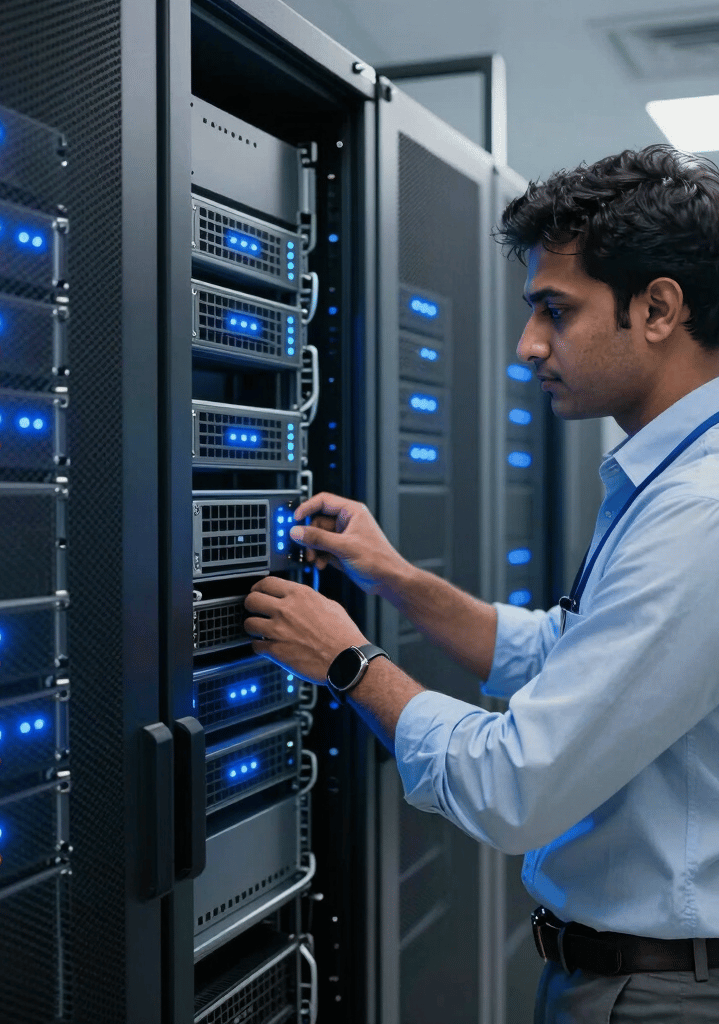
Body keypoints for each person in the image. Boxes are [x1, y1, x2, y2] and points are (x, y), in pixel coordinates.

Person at [243, 144, 719, 1023]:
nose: (526, 345)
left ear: (658, 308)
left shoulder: (700, 512)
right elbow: (563, 653)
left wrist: (348, 663)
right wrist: (394, 579)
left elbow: (516, 789)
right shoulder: (671, 477)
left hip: (662, 992)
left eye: (554, 310)